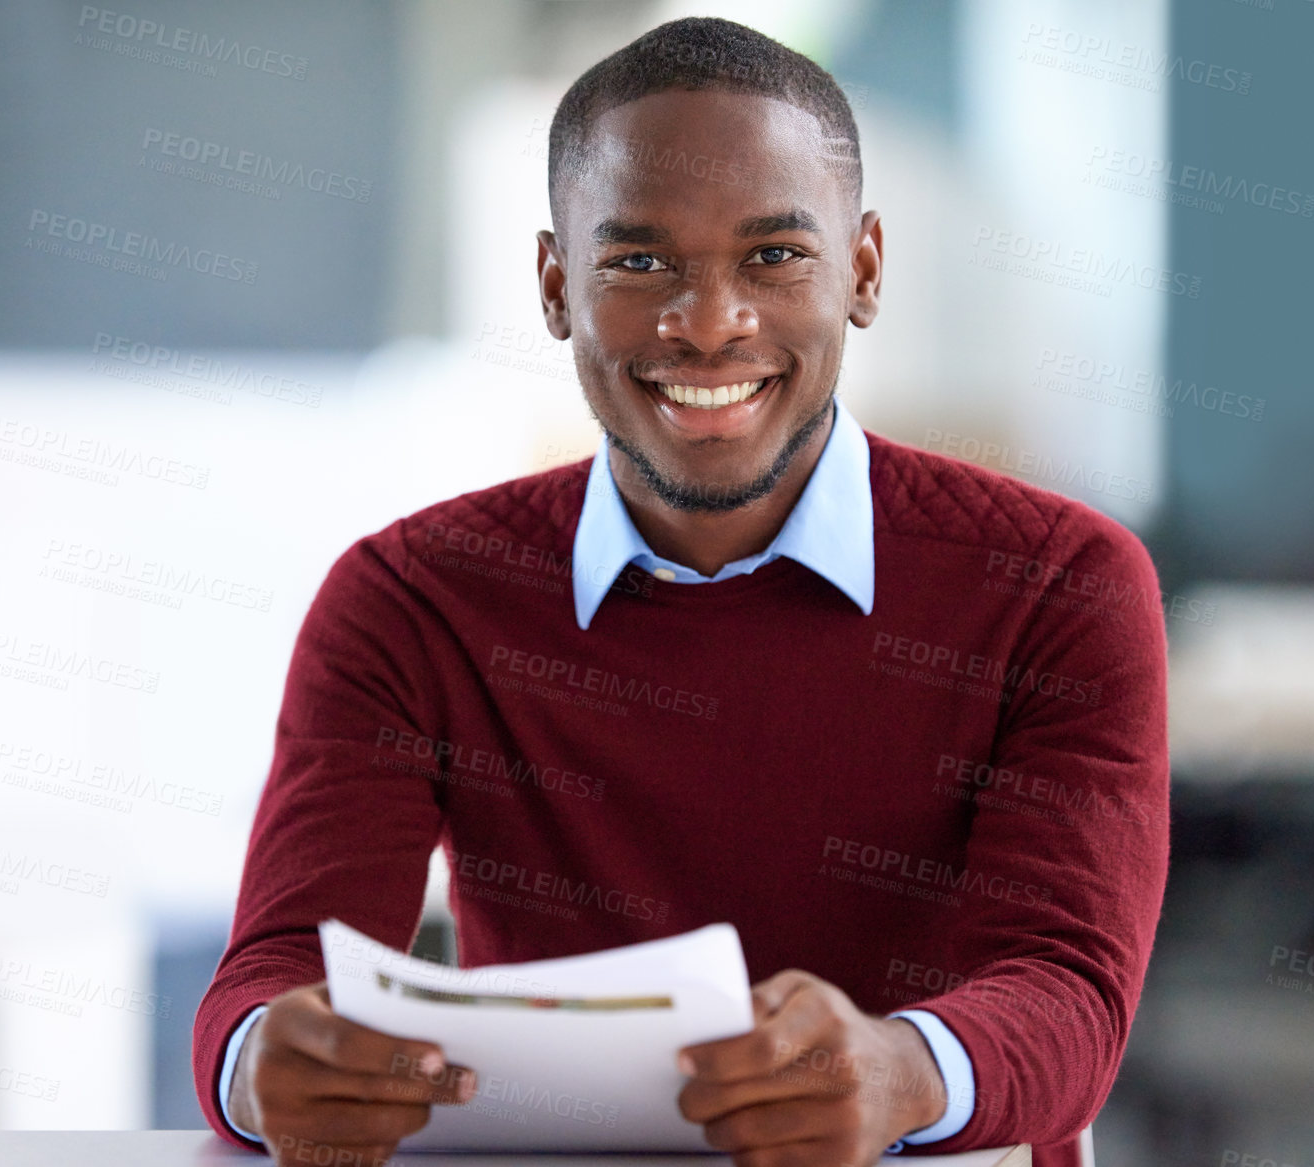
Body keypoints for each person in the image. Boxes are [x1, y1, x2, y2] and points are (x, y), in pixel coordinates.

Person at [193, 16, 1168, 1167]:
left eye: (773, 256)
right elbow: (276, 969)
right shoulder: (409, 601)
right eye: (637, 262)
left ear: (859, 272)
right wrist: (265, 1065)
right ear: (556, 287)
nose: (706, 324)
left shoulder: (1056, 585)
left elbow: (1066, 988)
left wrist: (900, 1073)